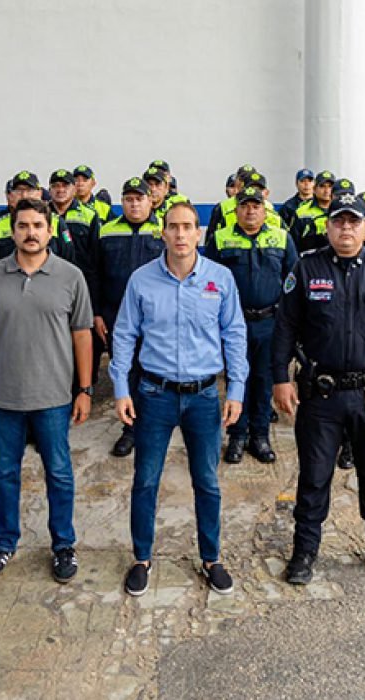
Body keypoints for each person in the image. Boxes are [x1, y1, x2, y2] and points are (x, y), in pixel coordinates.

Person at [272, 191, 365, 585]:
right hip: (321, 394)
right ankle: (304, 551)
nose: (346, 228)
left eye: (353, 221)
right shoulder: (306, 268)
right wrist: (280, 379)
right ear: (327, 226)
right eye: (338, 221)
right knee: (315, 477)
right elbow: (285, 326)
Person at [111, 200, 248, 597]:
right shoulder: (141, 280)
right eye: (173, 226)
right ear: (163, 232)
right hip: (154, 395)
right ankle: (141, 558)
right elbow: (124, 335)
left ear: (199, 233)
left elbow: (234, 335)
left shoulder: (220, 280)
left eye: (189, 226)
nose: (181, 234)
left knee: (207, 481)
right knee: (145, 480)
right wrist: (121, 388)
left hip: (204, 396)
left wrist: (235, 390)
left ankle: (211, 557)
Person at [0, 198, 93, 583]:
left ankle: (63, 545)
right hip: (4, 397)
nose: (30, 232)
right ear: (13, 230)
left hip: (53, 397)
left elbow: (82, 336)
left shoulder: (70, 277)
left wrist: (85, 389)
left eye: (38, 225)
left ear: (50, 230)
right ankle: (4, 544)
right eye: (23, 225)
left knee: (59, 473)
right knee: (6, 473)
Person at [205, 185, 297, 464]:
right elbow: (208, 281)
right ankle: (237, 435)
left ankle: (260, 436)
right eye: (244, 206)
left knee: (263, 380)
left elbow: (293, 280)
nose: (250, 210)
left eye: (255, 206)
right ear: (236, 210)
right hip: (233, 323)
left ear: (263, 209)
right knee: (237, 378)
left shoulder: (281, 237)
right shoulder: (221, 238)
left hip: (270, 322)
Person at [92, 177, 165, 457]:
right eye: (129, 199)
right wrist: (97, 313)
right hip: (116, 316)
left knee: (155, 373)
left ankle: (155, 426)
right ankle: (131, 430)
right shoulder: (107, 231)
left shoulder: (163, 230)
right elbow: (96, 274)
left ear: (151, 200)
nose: (134, 204)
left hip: (155, 318)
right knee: (126, 372)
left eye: (140, 198)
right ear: (122, 202)